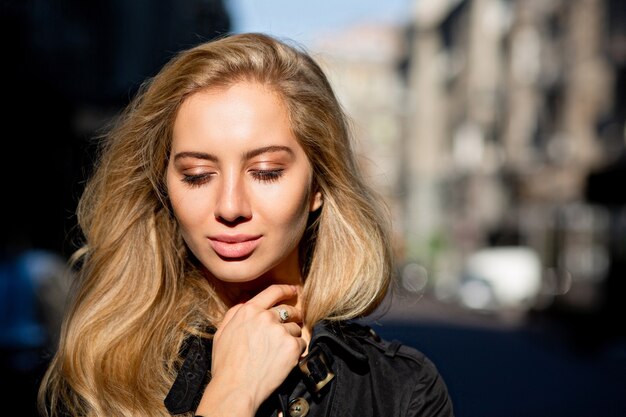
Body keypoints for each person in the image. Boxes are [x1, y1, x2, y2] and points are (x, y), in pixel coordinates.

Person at [38, 32, 454, 417]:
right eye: (198, 175)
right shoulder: (102, 368)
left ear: (318, 186)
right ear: (164, 187)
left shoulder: (400, 390)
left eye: (267, 171)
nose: (231, 206)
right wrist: (233, 392)